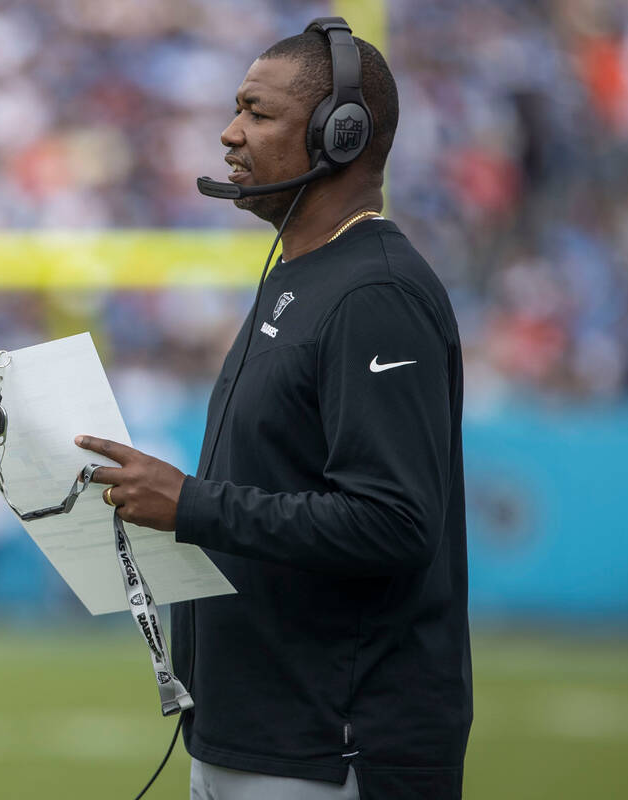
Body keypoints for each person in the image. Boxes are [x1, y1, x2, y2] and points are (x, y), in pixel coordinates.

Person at [76, 20, 472, 800]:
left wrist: (192, 504)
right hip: (252, 734)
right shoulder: (300, 277)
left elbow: (393, 522)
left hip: (331, 749)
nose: (229, 134)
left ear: (341, 134)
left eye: (257, 113)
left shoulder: (376, 294)